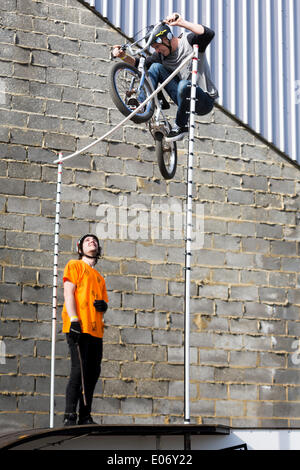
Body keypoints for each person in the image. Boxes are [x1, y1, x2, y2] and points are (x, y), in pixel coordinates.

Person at [112, 12, 218, 142]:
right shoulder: (161, 56)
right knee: (155, 67)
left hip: (204, 99)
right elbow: (140, 63)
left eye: (157, 46)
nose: (157, 50)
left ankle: (180, 126)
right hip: (183, 97)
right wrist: (122, 55)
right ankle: (142, 104)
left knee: (184, 85)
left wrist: (181, 22)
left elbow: (208, 34)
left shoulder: (189, 41)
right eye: (154, 48)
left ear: (166, 38)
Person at [61, 234, 108, 426]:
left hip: (96, 330)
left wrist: (103, 306)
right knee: (78, 370)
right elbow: (68, 292)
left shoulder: (99, 277)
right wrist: (73, 319)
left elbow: (104, 303)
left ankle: (85, 415)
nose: (92, 242)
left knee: (92, 372)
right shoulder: (74, 265)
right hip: (78, 326)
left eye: (95, 241)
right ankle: (69, 415)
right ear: (80, 248)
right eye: (88, 241)